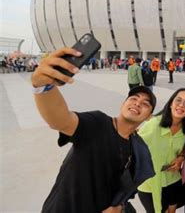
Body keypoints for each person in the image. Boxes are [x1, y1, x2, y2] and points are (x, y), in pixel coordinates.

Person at [32, 47, 156, 212]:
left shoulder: (138, 149)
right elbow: (60, 120)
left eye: (145, 104)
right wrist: (43, 86)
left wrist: (119, 207)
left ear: (149, 116)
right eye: (133, 98)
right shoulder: (98, 123)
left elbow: (126, 187)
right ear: (123, 104)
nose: (137, 103)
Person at [138, 88, 185, 213]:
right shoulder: (154, 124)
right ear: (171, 103)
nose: (182, 105)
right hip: (150, 183)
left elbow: (183, 148)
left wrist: (181, 157)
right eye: (178, 100)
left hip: (172, 180)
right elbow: (132, 143)